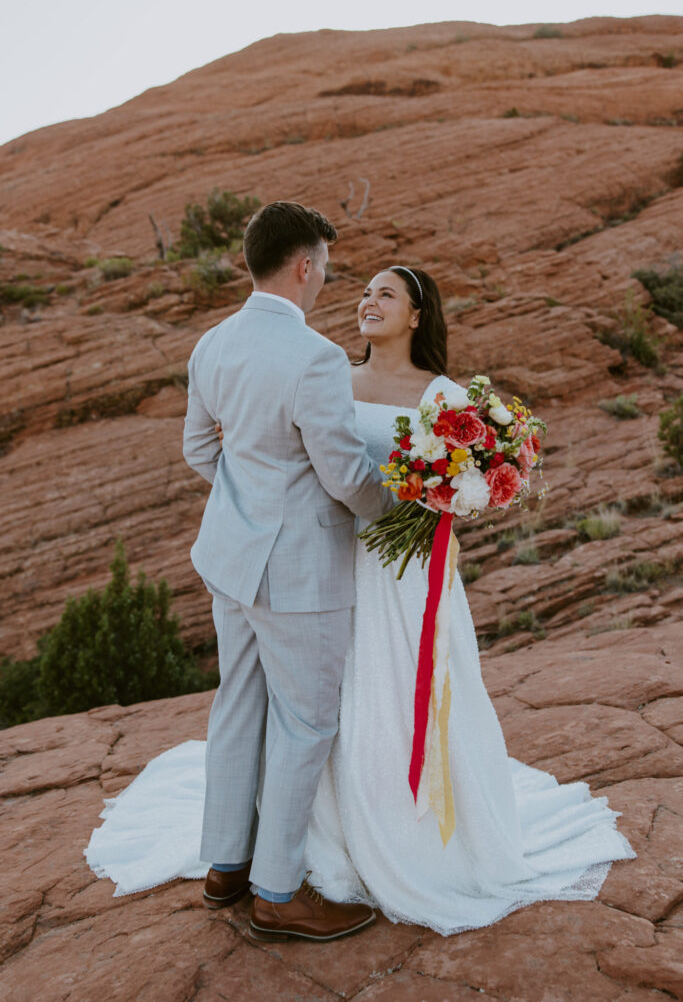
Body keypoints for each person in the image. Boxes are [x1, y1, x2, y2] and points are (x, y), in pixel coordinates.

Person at [85, 263, 635, 936]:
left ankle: (393, 837)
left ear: (415, 316)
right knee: (320, 704)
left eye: (387, 294)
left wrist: (451, 497)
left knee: (393, 694)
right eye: (365, 291)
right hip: (324, 561)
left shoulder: (445, 397)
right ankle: (300, 846)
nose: (368, 301)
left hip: (403, 579)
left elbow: (474, 484)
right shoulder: (326, 375)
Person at [179, 200, 393, 942]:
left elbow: (200, 454)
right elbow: (343, 476)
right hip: (298, 571)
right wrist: (399, 508)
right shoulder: (314, 357)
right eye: (326, 271)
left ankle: (224, 866)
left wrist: (250, 500)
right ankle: (276, 891)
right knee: (306, 723)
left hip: (229, 558)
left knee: (236, 705)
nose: (326, 284)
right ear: (303, 266)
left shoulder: (210, 344)